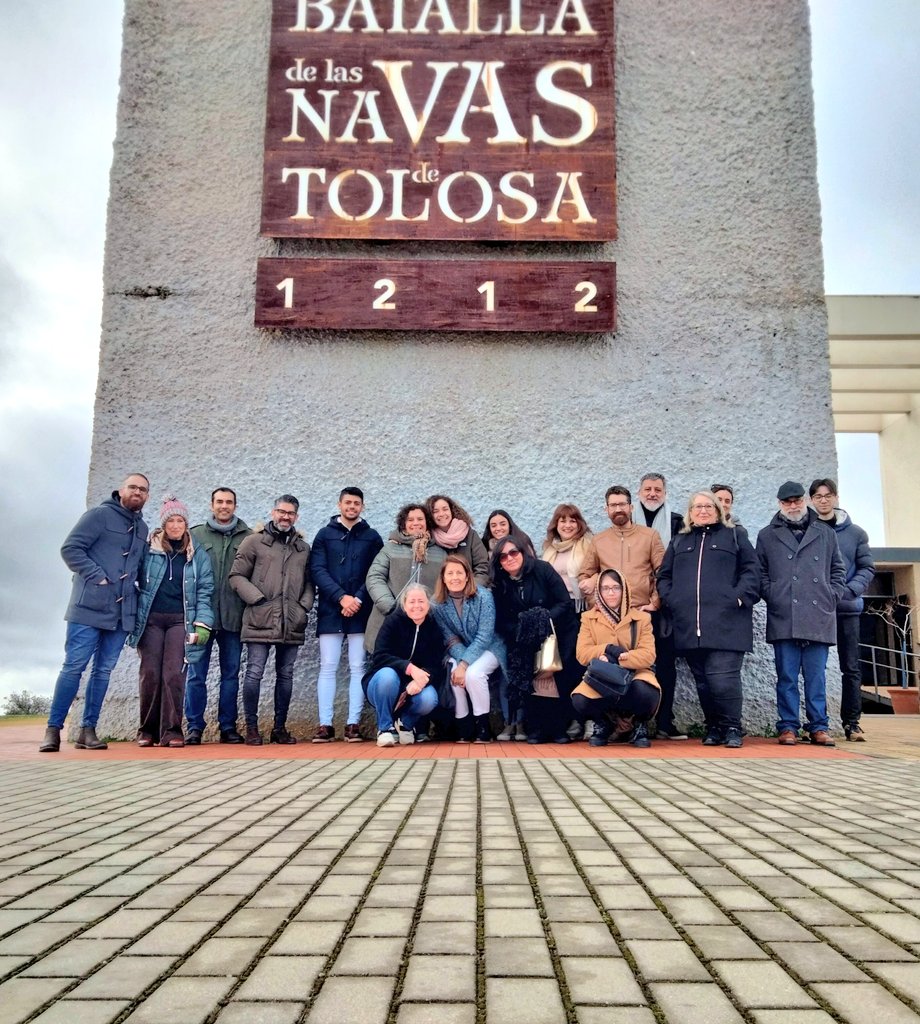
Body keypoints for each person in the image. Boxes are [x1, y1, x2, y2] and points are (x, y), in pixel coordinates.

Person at [40, 473, 151, 753]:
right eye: (133, 487)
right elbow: (71, 549)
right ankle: (53, 729)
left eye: (143, 489)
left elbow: (138, 568)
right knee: (74, 667)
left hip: (121, 613)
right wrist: (97, 576)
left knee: (103, 672)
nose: (138, 492)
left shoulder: (143, 528)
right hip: (88, 608)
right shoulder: (98, 515)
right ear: (121, 490)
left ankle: (87, 730)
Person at [657, 491, 760, 748]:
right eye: (697, 507)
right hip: (690, 625)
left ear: (718, 510)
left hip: (727, 623)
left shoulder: (735, 535)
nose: (703, 511)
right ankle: (714, 727)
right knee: (702, 680)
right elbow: (664, 576)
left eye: (708, 506)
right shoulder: (680, 541)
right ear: (690, 513)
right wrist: (673, 600)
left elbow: (752, 570)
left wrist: (738, 597)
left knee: (723, 679)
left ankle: (732, 727)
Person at [756, 481, 847, 747]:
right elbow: (760, 572)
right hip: (784, 614)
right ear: (779, 504)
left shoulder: (825, 532)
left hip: (819, 614)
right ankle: (788, 727)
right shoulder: (767, 534)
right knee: (786, 676)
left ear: (805, 500)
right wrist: (772, 594)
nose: (793, 506)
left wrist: (832, 595)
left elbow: (837, 569)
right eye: (787, 502)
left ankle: (819, 727)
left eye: (797, 500)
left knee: (816, 677)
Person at [127, 496, 215, 747]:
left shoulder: (197, 554)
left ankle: (172, 730)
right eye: (171, 521)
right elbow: (134, 581)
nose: (176, 525)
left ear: (186, 524)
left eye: (180, 520)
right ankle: (147, 730)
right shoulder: (149, 550)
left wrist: (202, 623)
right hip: (151, 621)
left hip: (180, 622)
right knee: (150, 673)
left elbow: (205, 591)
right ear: (164, 524)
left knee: (174, 675)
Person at [229, 494, 315, 745]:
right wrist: (257, 599)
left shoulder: (303, 548)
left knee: (286, 675)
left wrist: (303, 607)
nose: (285, 516)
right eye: (281, 511)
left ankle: (280, 728)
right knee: (254, 673)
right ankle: (252, 728)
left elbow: (310, 582)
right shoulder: (254, 542)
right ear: (272, 512)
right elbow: (236, 576)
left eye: (290, 513)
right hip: (260, 618)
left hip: (292, 621)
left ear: (296, 517)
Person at [309, 487, 383, 742]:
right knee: (327, 667)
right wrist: (341, 597)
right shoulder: (324, 535)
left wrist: (358, 598)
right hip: (332, 609)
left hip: (361, 611)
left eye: (357, 503)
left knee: (358, 667)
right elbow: (317, 570)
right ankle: (325, 725)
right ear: (340, 504)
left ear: (362, 507)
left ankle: (353, 724)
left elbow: (376, 573)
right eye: (348, 502)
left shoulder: (372, 537)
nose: (352, 507)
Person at [491, 536, 580, 744]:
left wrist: (542, 620)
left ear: (522, 552)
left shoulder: (543, 569)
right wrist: (524, 629)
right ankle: (536, 729)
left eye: (513, 552)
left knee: (558, 678)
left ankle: (559, 729)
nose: (509, 558)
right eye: (503, 556)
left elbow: (564, 602)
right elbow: (501, 619)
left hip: (558, 633)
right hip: (523, 639)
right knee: (533, 682)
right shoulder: (500, 585)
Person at [809, 478, 875, 741]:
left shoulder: (855, 533)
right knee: (816, 668)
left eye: (828, 495)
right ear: (812, 500)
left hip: (847, 608)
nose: (823, 500)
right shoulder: (808, 530)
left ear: (836, 498)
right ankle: (817, 724)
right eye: (818, 496)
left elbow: (866, 567)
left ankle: (852, 722)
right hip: (815, 610)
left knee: (850, 667)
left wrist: (848, 591)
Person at [184, 487, 252, 744]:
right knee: (196, 673)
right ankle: (194, 726)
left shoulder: (248, 537)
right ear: (212, 505)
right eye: (219, 502)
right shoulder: (196, 534)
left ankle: (228, 726)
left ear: (235, 505)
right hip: (201, 618)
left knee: (231, 675)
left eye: (229, 502)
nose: (224, 506)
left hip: (234, 616)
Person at [573, 569, 660, 747]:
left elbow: (648, 654)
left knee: (645, 690)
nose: (611, 593)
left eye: (615, 588)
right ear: (599, 592)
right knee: (580, 698)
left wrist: (619, 658)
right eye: (605, 588)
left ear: (624, 590)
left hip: (635, 673)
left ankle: (638, 724)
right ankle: (604, 724)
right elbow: (582, 653)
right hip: (603, 675)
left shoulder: (641, 618)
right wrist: (605, 649)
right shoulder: (589, 618)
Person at [631, 472, 686, 741]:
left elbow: (679, 566)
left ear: (665, 493)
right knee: (632, 663)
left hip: (666, 607)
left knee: (666, 665)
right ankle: (632, 723)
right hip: (636, 606)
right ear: (639, 493)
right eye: (647, 489)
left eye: (657, 490)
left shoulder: (678, 523)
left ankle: (665, 721)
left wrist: (660, 598)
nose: (652, 494)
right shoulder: (628, 523)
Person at [431, 555, 505, 742]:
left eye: (459, 572)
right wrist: (461, 665)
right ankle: (464, 725)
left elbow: (484, 635)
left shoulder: (483, 596)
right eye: (450, 573)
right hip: (460, 649)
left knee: (473, 674)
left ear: (467, 576)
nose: (455, 577)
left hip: (490, 648)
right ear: (443, 578)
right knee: (454, 673)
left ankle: (483, 727)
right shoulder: (438, 603)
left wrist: (465, 665)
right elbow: (450, 638)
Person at [363, 583, 443, 747]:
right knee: (388, 676)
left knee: (430, 699)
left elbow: (436, 663)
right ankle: (384, 728)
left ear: (428, 604)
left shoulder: (433, 626)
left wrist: (422, 678)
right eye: (412, 602)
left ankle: (405, 724)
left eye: (421, 601)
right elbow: (380, 656)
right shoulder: (393, 621)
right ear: (404, 605)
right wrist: (410, 669)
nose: (417, 606)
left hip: (413, 686)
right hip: (383, 684)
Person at [364, 503, 447, 653]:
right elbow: (375, 576)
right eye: (410, 520)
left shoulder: (440, 553)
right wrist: (390, 607)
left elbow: (444, 585)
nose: (416, 523)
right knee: (387, 670)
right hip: (389, 620)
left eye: (420, 519)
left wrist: (429, 608)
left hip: (424, 623)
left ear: (427, 522)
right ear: (403, 524)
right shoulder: (390, 548)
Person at [426, 495, 490, 585]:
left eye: (445, 509)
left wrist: (472, 588)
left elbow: (483, 566)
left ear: (451, 511)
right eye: (435, 511)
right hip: (439, 594)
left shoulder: (470, 535)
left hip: (469, 592)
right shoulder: (428, 538)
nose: (441, 514)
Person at [542, 504, 594, 613]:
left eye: (572, 521)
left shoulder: (589, 545)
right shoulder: (550, 548)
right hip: (556, 605)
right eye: (563, 521)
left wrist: (593, 579)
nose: (567, 525)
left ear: (579, 524)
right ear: (556, 524)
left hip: (582, 605)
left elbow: (600, 569)